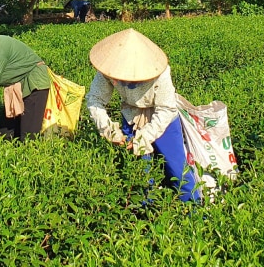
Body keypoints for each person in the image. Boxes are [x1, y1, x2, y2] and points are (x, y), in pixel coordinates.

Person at [85, 28, 201, 203]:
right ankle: (146, 214)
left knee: (177, 170)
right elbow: (95, 99)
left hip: (163, 119)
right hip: (131, 115)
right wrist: (108, 130)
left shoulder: (160, 72)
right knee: (140, 173)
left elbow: (166, 109)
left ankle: (195, 213)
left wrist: (146, 136)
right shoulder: (107, 70)